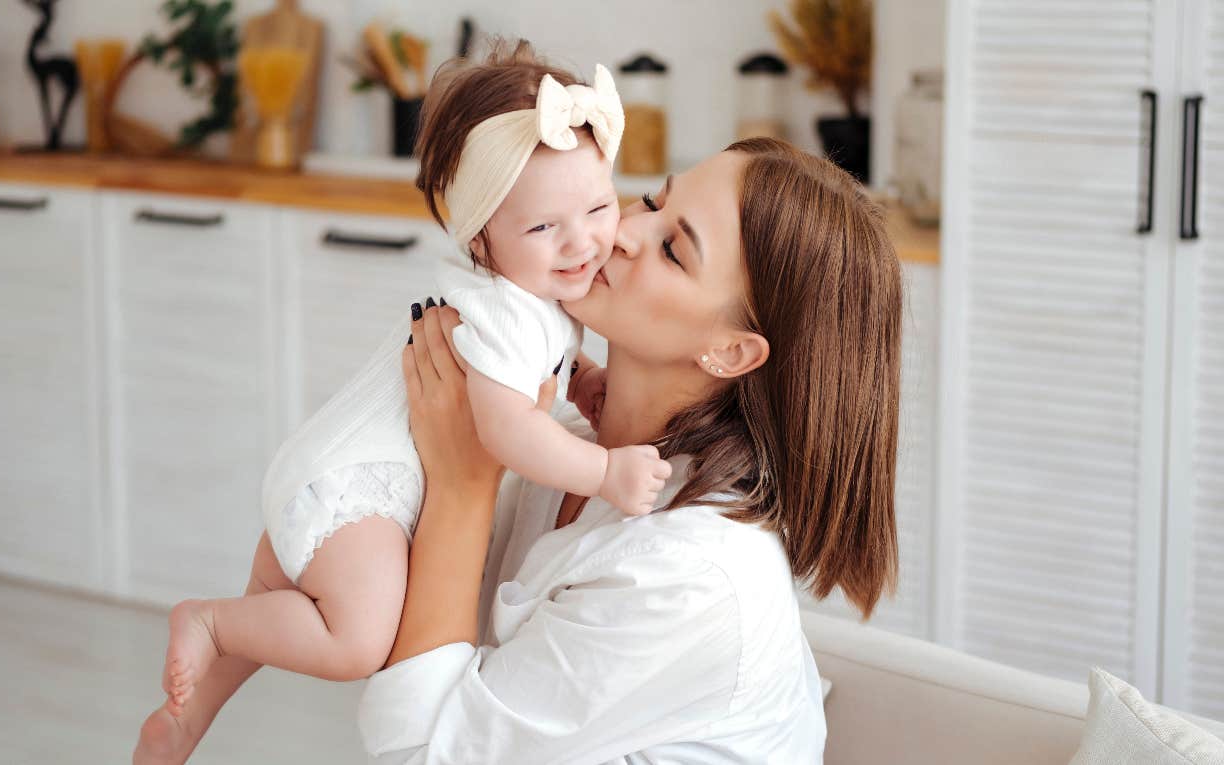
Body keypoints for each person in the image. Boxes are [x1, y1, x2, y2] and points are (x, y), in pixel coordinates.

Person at [133, 42, 670, 764]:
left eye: (600, 206)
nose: (583, 241)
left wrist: (579, 378)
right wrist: (603, 472)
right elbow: (507, 427)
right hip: (361, 495)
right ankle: (210, 623)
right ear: (482, 238)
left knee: (280, 598)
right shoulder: (509, 311)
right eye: (545, 226)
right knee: (355, 641)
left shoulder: (530, 291)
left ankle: (186, 719)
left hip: (332, 466)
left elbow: (542, 352)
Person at [357, 132, 902, 762]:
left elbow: (417, 754)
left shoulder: (689, 573)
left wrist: (462, 485)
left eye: (672, 249)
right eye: (650, 200)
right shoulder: (561, 444)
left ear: (730, 350)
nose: (621, 231)